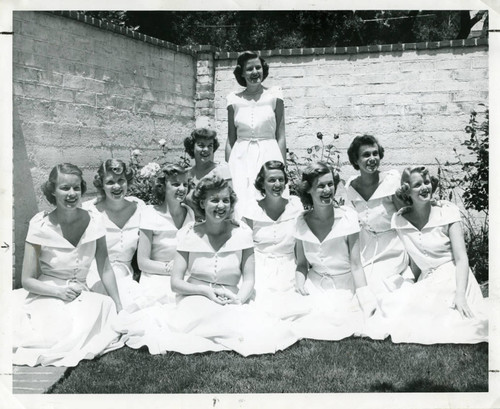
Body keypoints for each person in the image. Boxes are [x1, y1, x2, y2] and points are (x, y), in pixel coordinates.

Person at [167, 175, 298, 356]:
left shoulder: (242, 233)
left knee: (248, 323)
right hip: (195, 296)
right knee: (205, 316)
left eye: (225, 200)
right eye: (214, 200)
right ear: (202, 203)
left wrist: (238, 300)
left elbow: (249, 278)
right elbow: (175, 283)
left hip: (231, 296)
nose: (221, 206)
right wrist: (205, 292)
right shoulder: (189, 233)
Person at [13, 163, 123, 367]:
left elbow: (105, 268)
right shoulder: (40, 224)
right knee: (55, 332)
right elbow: (27, 280)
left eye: (76, 188)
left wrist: (118, 304)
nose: (72, 194)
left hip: (80, 292)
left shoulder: (95, 220)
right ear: (53, 191)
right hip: (47, 292)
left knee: (103, 308)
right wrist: (59, 293)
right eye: (64, 188)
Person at [382, 166, 488, 344]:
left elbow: (462, 259)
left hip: (454, 277)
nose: (424, 187)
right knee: (396, 309)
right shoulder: (400, 221)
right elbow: (416, 258)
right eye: (417, 185)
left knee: (448, 323)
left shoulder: (447, 212)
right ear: (407, 191)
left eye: (426, 182)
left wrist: (460, 295)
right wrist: (412, 284)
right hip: (428, 279)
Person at [293, 162, 380, 341]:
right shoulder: (301, 221)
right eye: (321, 186)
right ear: (308, 190)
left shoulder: (348, 217)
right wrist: (299, 284)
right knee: (297, 318)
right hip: (315, 284)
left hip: (344, 285)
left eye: (330, 184)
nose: (327, 190)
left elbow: (356, 264)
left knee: (343, 319)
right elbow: (302, 264)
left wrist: (364, 297)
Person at [345, 135, 412, 301]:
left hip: (392, 249)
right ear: (356, 160)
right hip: (365, 251)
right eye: (366, 155)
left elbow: (407, 220)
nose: (372, 158)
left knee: (380, 290)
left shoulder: (391, 181)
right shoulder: (351, 186)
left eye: (375, 153)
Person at [242, 160, 308, 319]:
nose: (277, 184)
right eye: (271, 180)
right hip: (258, 267)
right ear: (262, 183)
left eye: (281, 179)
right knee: (257, 309)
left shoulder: (295, 206)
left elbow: (301, 259)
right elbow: (244, 251)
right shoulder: (251, 209)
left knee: (294, 306)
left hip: (288, 267)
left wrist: (300, 280)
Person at [226, 51, 286, 214]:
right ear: (242, 73)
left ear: (263, 69)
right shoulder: (233, 99)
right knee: (240, 200)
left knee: (267, 199)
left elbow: (281, 135)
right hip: (240, 158)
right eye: (249, 69)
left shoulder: (275, 96)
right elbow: (230, 139)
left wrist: (282, 166)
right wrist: (228, 169)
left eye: (258, 68)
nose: (254, 73)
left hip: (269, 153)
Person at [82, 159, 147, 311]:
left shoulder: (139, 208)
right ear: (102, 185)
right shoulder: (89, 210)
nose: (117, 186)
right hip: (97, 275)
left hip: (127, 276)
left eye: (121, 180)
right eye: (110, 182)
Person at [136, 163, 194, 305]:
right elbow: (142, 263)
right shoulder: (149, 214)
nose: (182, 189)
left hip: (184, 277)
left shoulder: (190, 213)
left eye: (185, 184)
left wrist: (181, 267)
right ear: (162, 186)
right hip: (155, 278)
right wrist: (172, 269)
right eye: (175, 184)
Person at [184, 128, 231, 219]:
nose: (206, 149)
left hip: (217, 227)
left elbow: (230, 206)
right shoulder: (187, 174)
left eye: (210, 146)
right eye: (201, 145)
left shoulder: (222, 171)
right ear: (192, 147)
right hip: (191, 226)